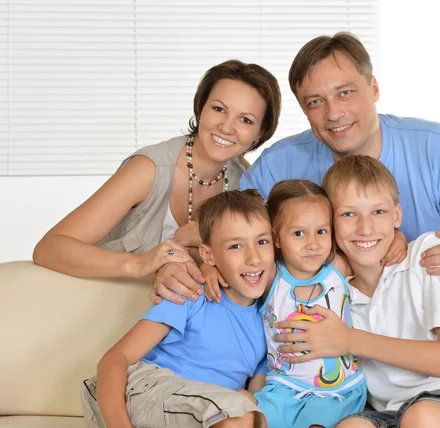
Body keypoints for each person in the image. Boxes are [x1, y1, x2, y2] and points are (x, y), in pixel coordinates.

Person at [274, 155, 440, 428]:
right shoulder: (334, 293)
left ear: (397, 215)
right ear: (330, 225)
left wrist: (348, 339)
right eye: (348, 214)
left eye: (378, 212)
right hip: (401, 410)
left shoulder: (429, 255)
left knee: (422, 416)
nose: (365, 228)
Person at [240, 32, 440, 288]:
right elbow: (230, 237)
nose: (333, 113)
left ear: (374, 88)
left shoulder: (439, 148)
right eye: (315, 102)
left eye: (345, 92)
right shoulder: (278, 165)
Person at [33, 59, 281, 304]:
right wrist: (142, 264)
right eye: (218, 109)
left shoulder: (246, 182)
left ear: (260, 133)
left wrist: (208, 265)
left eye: (245, 120)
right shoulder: (148, 169)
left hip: (172, 321)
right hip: (101, 306)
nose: (227, 127)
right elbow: (49, 248)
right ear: (200, 108)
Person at [80, 189, 275, 428]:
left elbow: (255, 401)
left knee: (250, 409)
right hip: (139, 396)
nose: (253, 258)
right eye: (235, 246)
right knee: (240, 414)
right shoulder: (191, 293)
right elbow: (114, 359)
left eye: (262, 242)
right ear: (208, 255)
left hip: (202, 415)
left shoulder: (270, 323)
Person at [254, 179, 367, 428]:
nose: (313, 244)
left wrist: (399, 238)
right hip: (283, 387)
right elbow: (232, 247)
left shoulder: (338, 267)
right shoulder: (271, 275)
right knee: (251, 420)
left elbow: (374, 246)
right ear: (276, 238)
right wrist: (209, 267)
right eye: (298, 233)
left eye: (321, 231)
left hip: (337, 390)